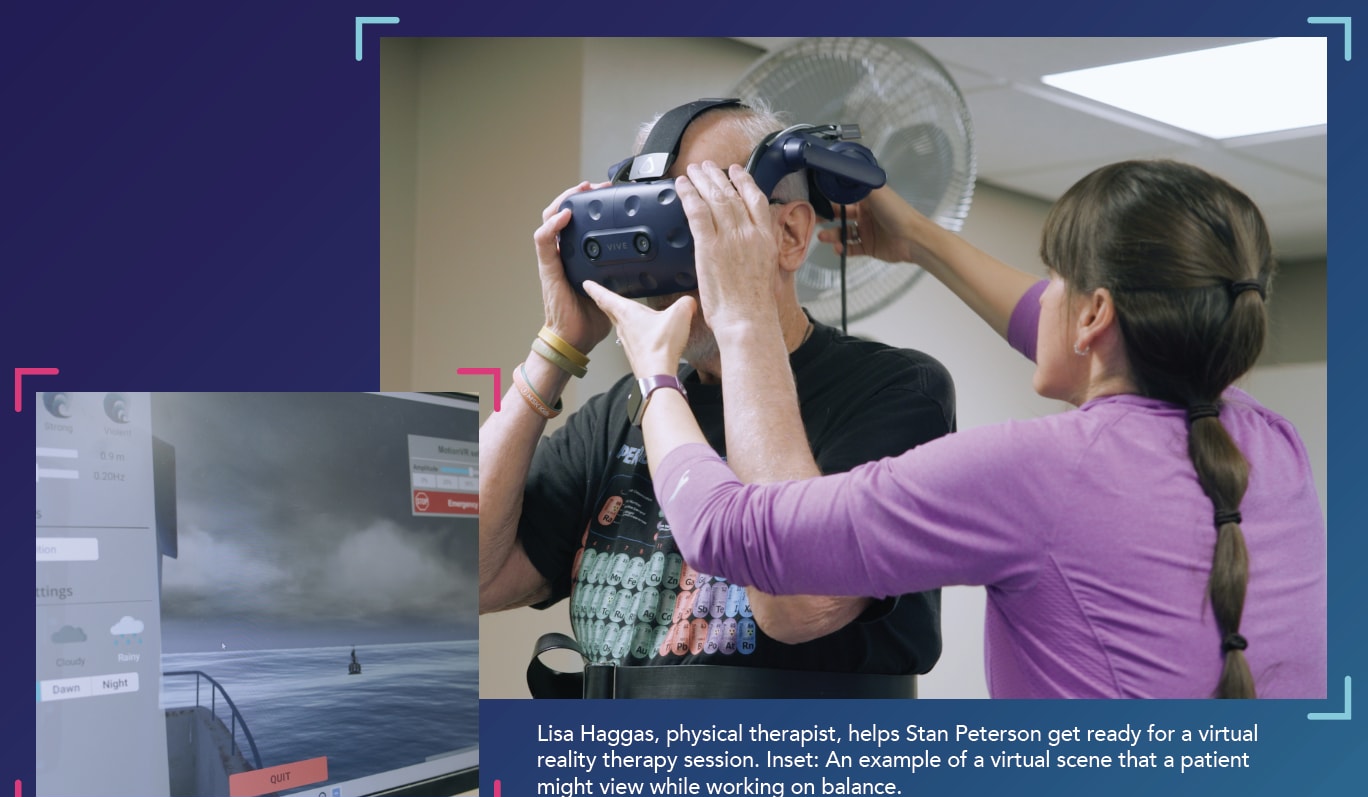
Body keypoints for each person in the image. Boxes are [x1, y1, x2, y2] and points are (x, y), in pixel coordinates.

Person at [586, 158, 1327, 699]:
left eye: (1056, 278)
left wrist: (660, 369)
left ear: (1097, 314)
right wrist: (915, 239)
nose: (1046, 297)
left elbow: (743, 535)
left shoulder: (1036, 468)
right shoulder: (1271, 445)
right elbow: (1063, 322)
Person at [478, 99, 956, 698]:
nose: (674, 247)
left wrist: (740, 315)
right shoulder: (618, 412)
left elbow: (795, 600)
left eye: (704, 212)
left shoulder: (894, 391)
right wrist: (557, 348)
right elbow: (468, 576)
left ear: (790, 233)